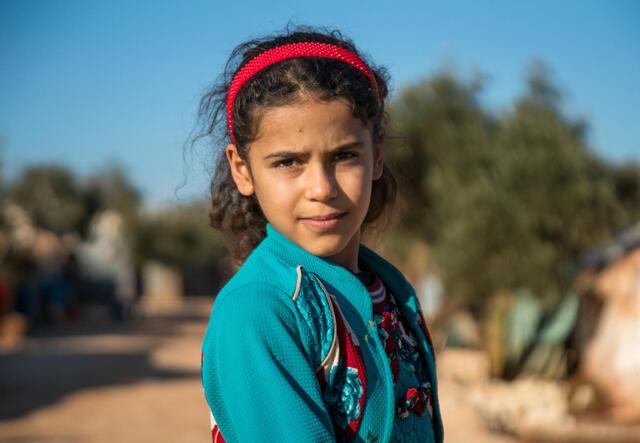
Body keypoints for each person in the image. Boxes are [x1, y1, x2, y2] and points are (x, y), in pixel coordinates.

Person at [198, 25, 444, 443]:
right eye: (288, 162)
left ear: (377, 155)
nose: (322, 188)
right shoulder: (259, 311)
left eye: (345, 155)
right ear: (243, 170)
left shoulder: (392, 289)